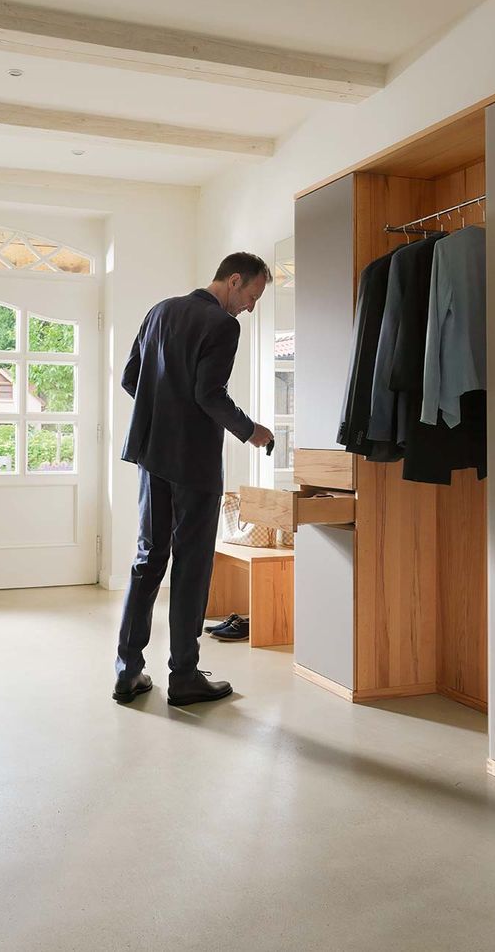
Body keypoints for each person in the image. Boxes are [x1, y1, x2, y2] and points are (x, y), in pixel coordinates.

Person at [113, 252, 274, 706]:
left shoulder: (160, 311)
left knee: (147, 560)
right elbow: (209, 394)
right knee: (191, 567)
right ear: (235, 280)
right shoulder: (222, 326)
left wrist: (165, 409)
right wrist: (251, 430)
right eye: (252, 296)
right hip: (195, 464)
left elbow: (131, 378)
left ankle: (127, 672)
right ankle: (183, 676)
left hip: (151, 455)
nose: (251, 307)